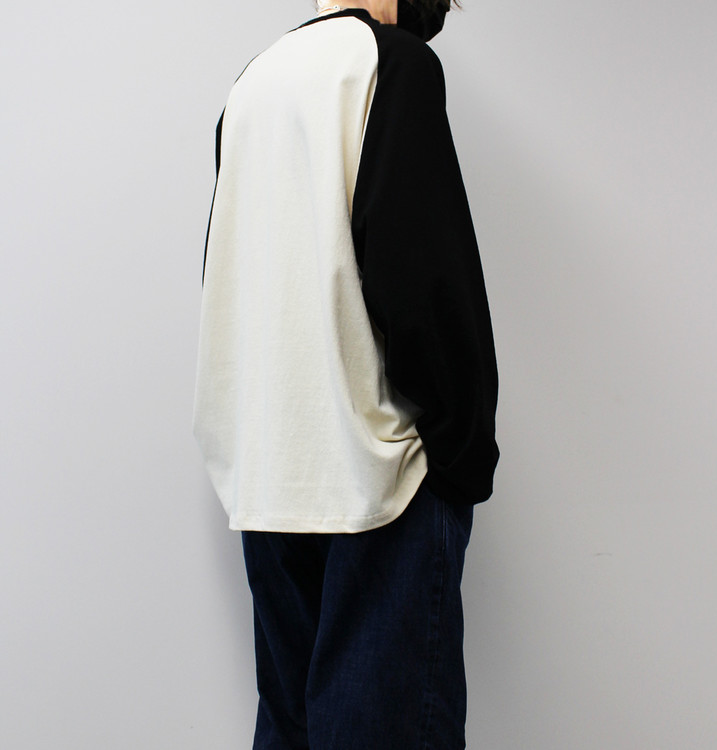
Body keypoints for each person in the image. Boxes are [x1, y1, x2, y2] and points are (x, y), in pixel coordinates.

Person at [192, 0, 499, 746]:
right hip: (377, 486)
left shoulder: (253, 83)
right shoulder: (391, 65)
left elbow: (227, 272)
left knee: (291, 727)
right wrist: (463, 457)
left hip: (269, 481)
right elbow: (425, 283)